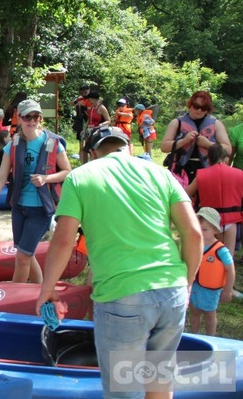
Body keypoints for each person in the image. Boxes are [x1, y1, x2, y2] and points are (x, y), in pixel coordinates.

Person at [36, 126, 202, 399]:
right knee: (159, 382)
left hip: (122, 296)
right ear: (128, 146)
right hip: (172, 290)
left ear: (92, 152)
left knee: (124, 393)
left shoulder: (80, 178)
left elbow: (64, 240)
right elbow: (193, 233)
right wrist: (187, 282)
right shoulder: (161, 174)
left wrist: (47, 288)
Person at [0, 100, 72, 283]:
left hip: (41, 209)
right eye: (27, 117)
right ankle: (38, 290)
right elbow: (0, 178)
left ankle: (14, 297)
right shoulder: (12, 145)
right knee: (26, 254)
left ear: (40, 118)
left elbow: (68, 172)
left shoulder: (53, 143)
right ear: (19, 118)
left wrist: (46, 178)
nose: (32, 121)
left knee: (22, 257)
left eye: (35, 116)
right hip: (19, 207)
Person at [160, 91, 232, 184]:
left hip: (208, 169)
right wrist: (183, 141)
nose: (199, 110)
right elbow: (164, 147)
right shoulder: (177, 123)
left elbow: (228, 149)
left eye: (204, 108)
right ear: (190, 105)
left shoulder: (216, 124)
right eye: (196, 106)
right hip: (182, 169)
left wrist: (208, 144)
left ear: (208, 109)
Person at [185, 144, 243, 255]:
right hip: (231, 221)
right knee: (228, 257)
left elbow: (186, 193)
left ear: (209, 160)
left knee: (209, 256)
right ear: (226, 159)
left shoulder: (202, 175)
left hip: (208, 220)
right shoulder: (240, 174)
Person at [188, 207, 234, 337]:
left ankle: (210, 337)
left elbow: (230, 269)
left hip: (211, 290)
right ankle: (194, 335)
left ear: (215, 230)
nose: (201, 233)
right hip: (196, 286)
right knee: (194, 311)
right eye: (198, 228)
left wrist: (228, 290)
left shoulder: (221, 250)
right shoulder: (195, 245)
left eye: (205, 229)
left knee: (210, 314)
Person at [81, 91, 110, 163]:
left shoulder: (102, 108)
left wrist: (101, 125)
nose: (89, 101)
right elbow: (89, 119)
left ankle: (94, 164)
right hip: (90, 131)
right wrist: (84, 129)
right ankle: (84, 165)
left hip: (98, 132)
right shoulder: (92, 107)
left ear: (94, 99)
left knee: (93, 151)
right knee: (85, 150)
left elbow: (108, 121)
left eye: (90, 99)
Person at [72, 84, 91, 158]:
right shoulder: (80, 98)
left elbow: (94, 108)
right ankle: (80, 152)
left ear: (89, 90)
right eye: (82, 92)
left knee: (88, 135)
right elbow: (72, 104)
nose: (84, 93)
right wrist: (77, 102)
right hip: (80, 120)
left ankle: (87, 152)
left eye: (85, 91)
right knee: (80, 135)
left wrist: (85, 107)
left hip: (90, 119)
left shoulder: (92, 98)